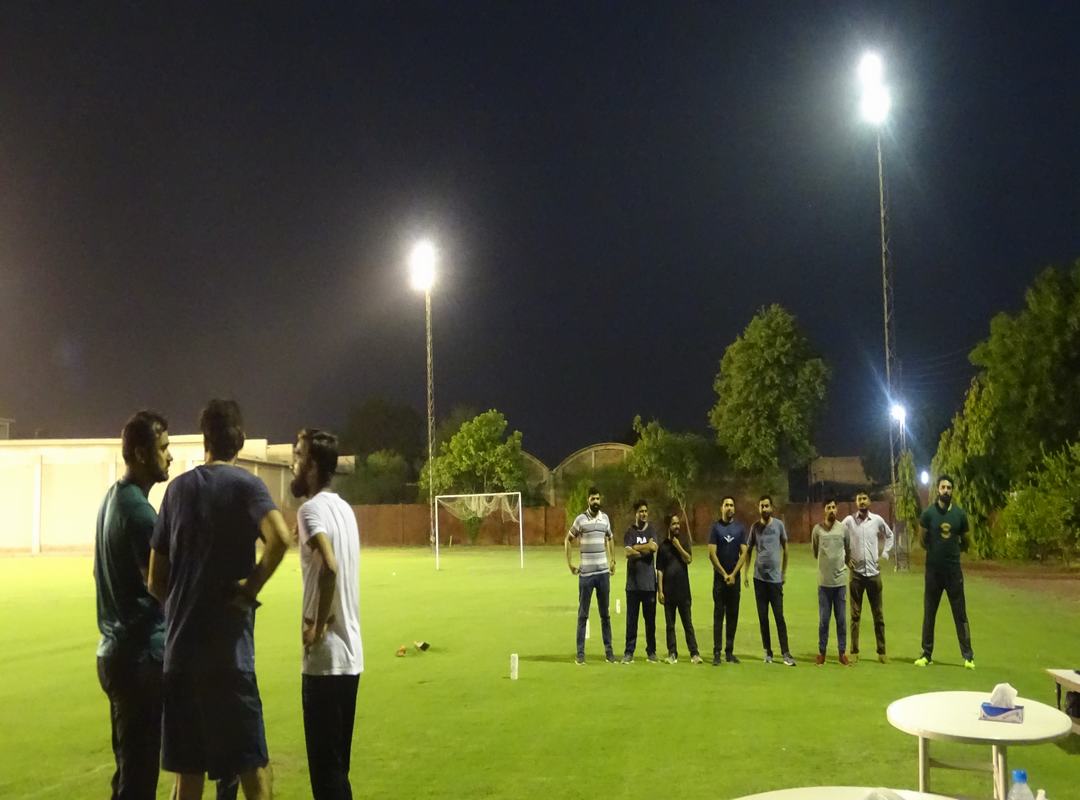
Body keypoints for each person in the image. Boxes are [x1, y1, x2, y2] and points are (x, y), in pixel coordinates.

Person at [148, 399, 291, 800]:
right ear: (240, 439)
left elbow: (155, 579)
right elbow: (280, 538)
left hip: (180, 658)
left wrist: (183, 608)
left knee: (188, 778)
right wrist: (249, 590)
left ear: (205, 440)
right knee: (252, 770)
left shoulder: (176, 491)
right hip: (229, 658)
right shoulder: (247, 485)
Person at [94, 410, 172, 799]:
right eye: (163, 448)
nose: (170, 456)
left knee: (128, 773)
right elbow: (159, 584)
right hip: (139, 659)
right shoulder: (141, 513)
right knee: (139, 781)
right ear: (141, 454)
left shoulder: (112, 498)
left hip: (114, 654)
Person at [291, 428, 363, 800]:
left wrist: (318, 627)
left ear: (314, 466)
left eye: (299, 455)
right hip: (351, 660)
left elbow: (330, 567)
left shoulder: (309, 510)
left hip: (325, 662)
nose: (294, 462)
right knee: (338, 771)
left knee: (326, 779)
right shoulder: (345, 511)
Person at [915, 475, 975, 669]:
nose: (946, 491)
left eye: (949, 487)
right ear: (937, 489)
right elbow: (922, 540)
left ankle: (968, 656)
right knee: (929, 613)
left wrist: (953, 553)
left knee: (960, 614)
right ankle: (926, 654)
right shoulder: (928, 514)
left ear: (952, 491)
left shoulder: (959, 514)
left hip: (953, 572)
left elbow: (966, 540)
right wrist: (935, 553)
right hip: (933, 572)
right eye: (943, 487)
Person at [842, 490, 894, 664]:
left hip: (873, 575)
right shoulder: (849, 521)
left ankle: (882, 652)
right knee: (855, 615)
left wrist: (884, 554)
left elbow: (890, 535)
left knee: (878, 615)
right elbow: (837, 536)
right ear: (856, 502)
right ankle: (854, 651)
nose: (862, 501)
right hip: (856, 575)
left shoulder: (877, 520)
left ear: (869, 501)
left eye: (864, 498)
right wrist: (845, 558)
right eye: (859, 499)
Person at [565, 487, 616, 664]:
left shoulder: (605, 519)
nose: (596, 502)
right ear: (588, 500)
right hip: (586, 575)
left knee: (605, 615)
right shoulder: (580, 520)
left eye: (597, 499)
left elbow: (610, 537)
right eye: (593, 499)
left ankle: (609, 653)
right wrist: (570, 564)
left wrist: (613, 560)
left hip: (603, 574)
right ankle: (580, 655)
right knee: (583, 615)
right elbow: (568, 539)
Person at [745, 495, 795, 666]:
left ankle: (786, 653)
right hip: (759, 579)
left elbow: (786, 549)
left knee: (779, 617)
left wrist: (784, 572)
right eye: (762, 506)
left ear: (772, 508)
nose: (764, 509)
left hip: (775, 580)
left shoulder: (779, 525)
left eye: (767, 506)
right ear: (758, 508)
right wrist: (745, 573)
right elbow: (748, 550)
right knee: (763, 617)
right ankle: (768, 651)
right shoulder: (755, 527)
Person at [707, 496, 747, 665]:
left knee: (733, 616)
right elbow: (712, 554)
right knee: (718, 616)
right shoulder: (715, 528)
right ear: (721, 508)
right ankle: (717, 652)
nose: (729, 507)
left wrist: (734, 574)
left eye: (731, 505)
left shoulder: (739, 529)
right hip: (719, 580)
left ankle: (729, 652)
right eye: (726, 505)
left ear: (734, 509)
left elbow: (744, 553)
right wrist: (724, 574)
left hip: (734, 580)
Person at [656, 513, 701, 664]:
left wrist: (678, 546)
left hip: (683, 591)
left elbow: (689, 559)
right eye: (674, 524)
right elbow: (660, 570)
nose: (677, 526)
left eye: (678, 523)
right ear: (668, 526)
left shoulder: (683, 542)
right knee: (670, 625)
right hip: (668, 592)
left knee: (688, 624)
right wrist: (660, 591)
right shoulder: (663, 547)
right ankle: (672, 654)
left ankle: (694, 654)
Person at [811, 498, 851, 666]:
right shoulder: (817, 530)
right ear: (824, 510)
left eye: (834, 507)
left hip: (840, 583)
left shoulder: (843, 529)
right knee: (824, 621)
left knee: (841, 620)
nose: (832, 510)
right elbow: (815, 551)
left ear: (837, 509)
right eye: (829, 507)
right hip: (824, 584)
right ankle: (822, 653)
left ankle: (842, 653)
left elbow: (848, 550)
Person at [621, 499, 658, 664]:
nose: (644, 514)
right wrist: (644, 549)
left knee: (650, 622)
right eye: (641, 511)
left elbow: (654, 548)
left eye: (645, 511)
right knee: (631, 621)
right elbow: (627, 553)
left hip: (649, 584)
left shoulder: (651, 530)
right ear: (635, 513)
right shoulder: (630, 531)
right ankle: (629, 652)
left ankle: (651, 652)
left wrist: (635, 548)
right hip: (633, 585)